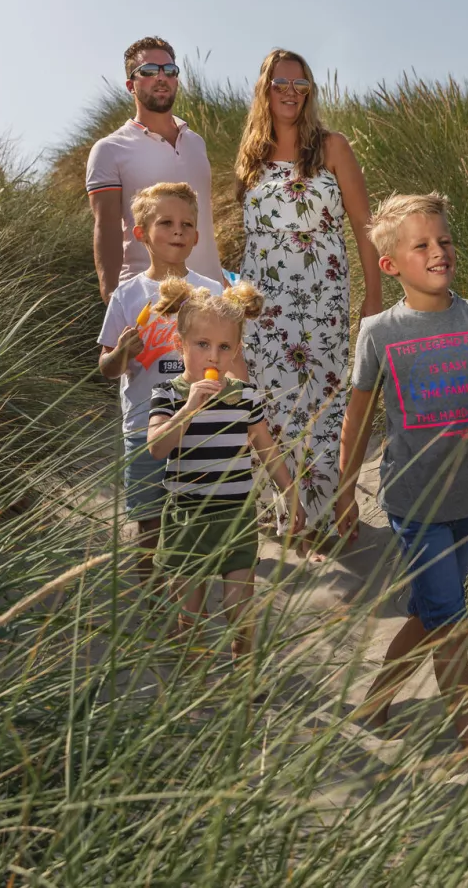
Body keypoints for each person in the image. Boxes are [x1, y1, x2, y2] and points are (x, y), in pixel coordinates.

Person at [338, 192, 468, 762]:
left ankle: (375, 700)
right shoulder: (379, 331)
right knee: (450, 620)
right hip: (411, 498)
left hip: (467, 497)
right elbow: (356, 419)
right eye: (422, 245)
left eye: (445, 241)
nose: (438, 252)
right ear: (390, 265)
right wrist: (344, 492)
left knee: (430, 611)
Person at [235, 49, 381, 551]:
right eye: (281, 83)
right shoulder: (249, 155)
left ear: (310, 91)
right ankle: (289, 509)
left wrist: (373, 297)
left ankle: (337, 500)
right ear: (265, 89)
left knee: (324, 400)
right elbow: (250, 238)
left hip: (322, 297)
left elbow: (366, 229)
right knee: (271, 403)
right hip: (263, 304)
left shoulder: (332, 147)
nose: (291, 92)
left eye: (301, 84)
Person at [147, 279, 304, 655]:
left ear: (237, 350)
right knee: (190, 611)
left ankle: (244, 672)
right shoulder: (168, 394)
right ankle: (195, 679)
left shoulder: (245, 397)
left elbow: (266, 448)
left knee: (239, 609)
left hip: (235, 516)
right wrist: (188, 410)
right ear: (180, 345)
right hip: (188, 517)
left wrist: (290, 492)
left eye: (224, 347)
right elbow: (156, 448)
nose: (213, 357)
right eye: (202, 345)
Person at [97, 183, 224, 582]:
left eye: (187, 224)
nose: (178, 231)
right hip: (143, 429)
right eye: (165, 222)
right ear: (140, 233)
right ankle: (154, 605)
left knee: (198, 524)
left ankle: (189, 605)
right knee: (149, 526)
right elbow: (106, 367)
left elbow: (231, 356)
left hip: (201, 428)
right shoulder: (128, 295)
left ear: (197, 237)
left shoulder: (211, 291)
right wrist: (122, 353)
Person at [87, 36, 223, 302]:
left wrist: (221, 284)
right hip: (147, 299)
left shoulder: (196, 143)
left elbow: (204, 222)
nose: (161, 78)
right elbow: (107, 228)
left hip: (208, 297)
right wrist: (112, 296)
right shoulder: (110, 149)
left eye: (169, 71)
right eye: (149, 71)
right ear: (131, 85)